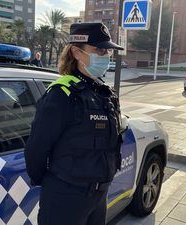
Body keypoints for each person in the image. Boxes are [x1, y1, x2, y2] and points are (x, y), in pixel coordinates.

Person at [24, 22, 124, 225]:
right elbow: (37, 149)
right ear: (77, 53)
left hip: (99, 194)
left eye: (108, 51)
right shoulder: (62, 95)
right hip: (66, 197)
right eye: (100, 49)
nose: (106, 55)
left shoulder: (105, 93)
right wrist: (57, 185)